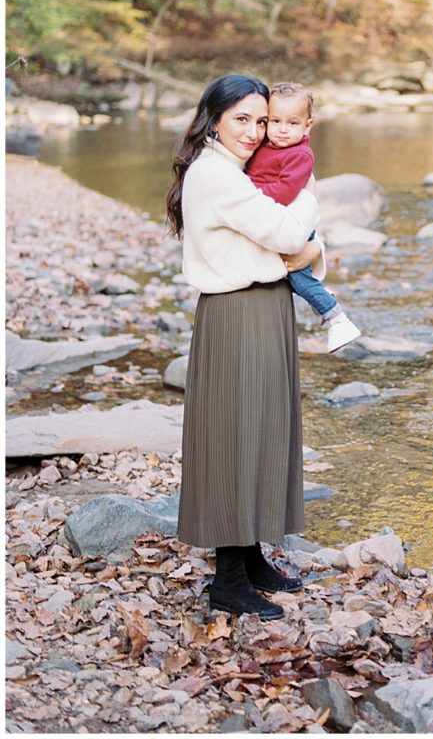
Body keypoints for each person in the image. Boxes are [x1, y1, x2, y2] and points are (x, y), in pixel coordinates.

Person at [166, 73, 323, 620]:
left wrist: (303, 241)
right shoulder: (216, 175)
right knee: (236, 433)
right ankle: (228, 581)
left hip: (262, 306)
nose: (256, 132)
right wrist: (311, 210)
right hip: (237, 315)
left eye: (262, 120)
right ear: (213, 119)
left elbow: (284, 236)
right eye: (243, 119)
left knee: (261, 427)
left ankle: (251, 555)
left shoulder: (234, 170)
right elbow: (286, 235)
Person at [245, 81, 361, 353]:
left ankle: (335, 316)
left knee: (296, 274)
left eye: (292, 123)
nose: (283, 129)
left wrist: (247, 191)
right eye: (275, 121)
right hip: (276, 222)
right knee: (287, 275)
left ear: (308, 126)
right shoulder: (266, 144)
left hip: (293, 224)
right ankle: (322, 295)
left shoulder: (299, 155)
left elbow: (284, 191)